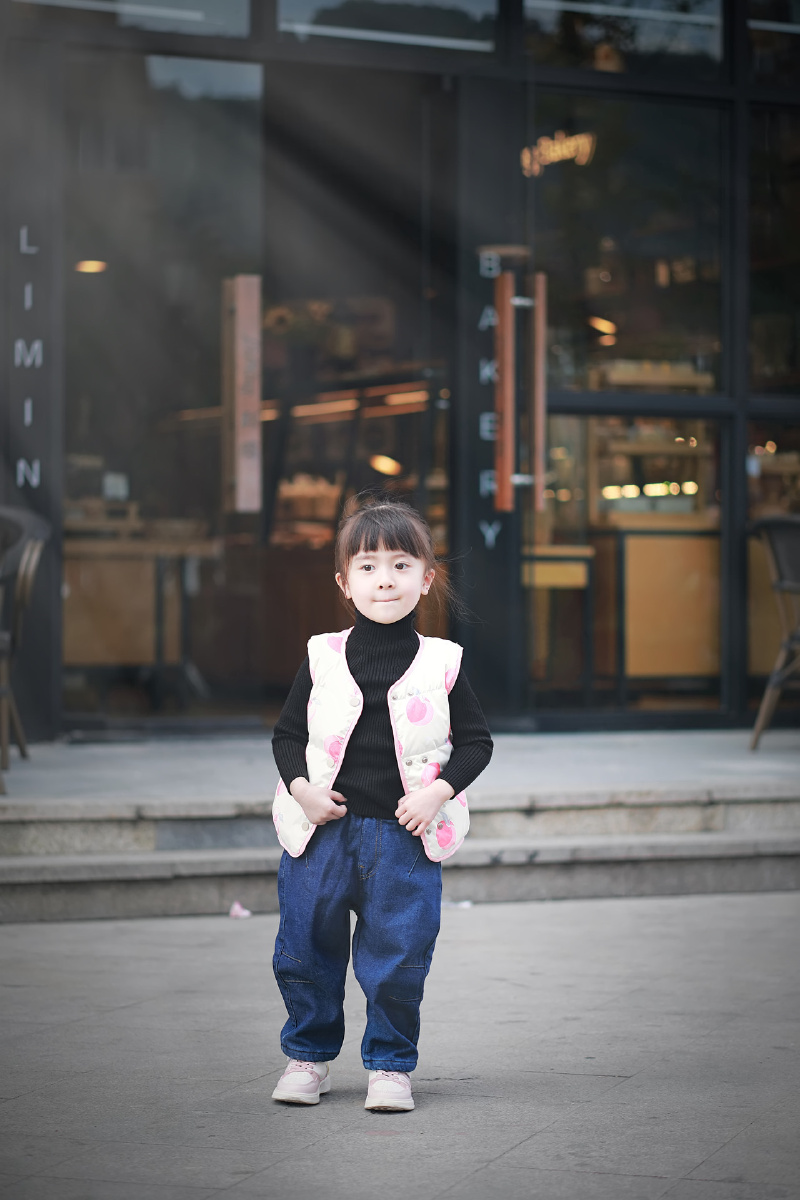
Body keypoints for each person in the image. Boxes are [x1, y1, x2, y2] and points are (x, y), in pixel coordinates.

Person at [270, 494, 493, 1112]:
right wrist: (303, 791)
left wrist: (437, 793)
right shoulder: (322, 655)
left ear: (426, 580)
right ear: (345, 583)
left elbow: (477, 743)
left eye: (400, 565)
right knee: (305, 949)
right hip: (322, 832)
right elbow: (287, 736)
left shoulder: (443, 662)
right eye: (367, 567)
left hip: (405, 836)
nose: (384, 579)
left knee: (398, 955)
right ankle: (308, 1058)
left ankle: (390, 1067)